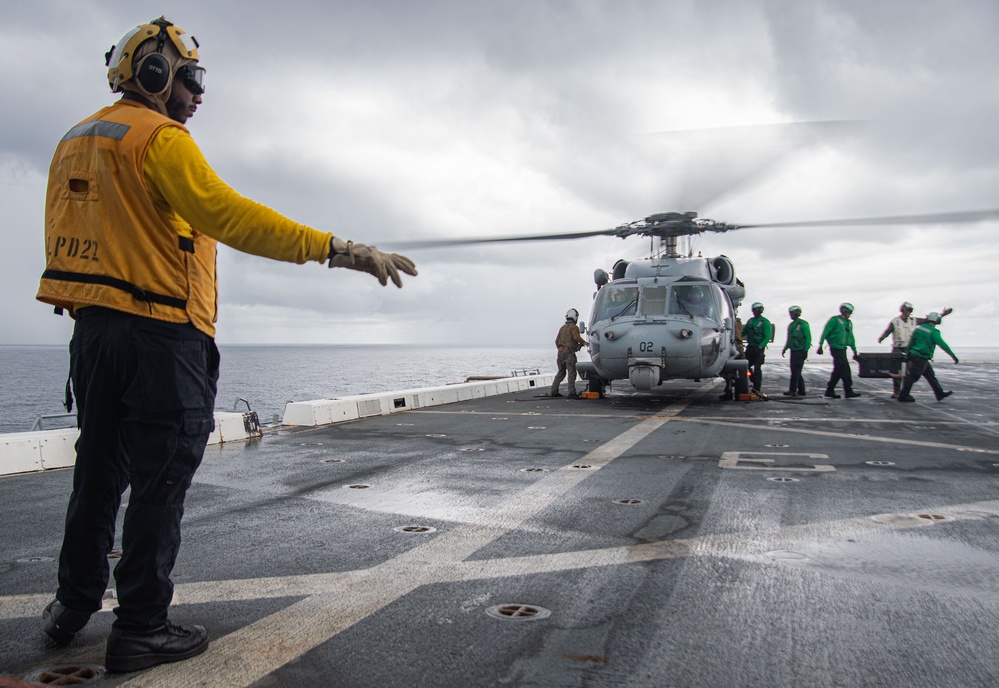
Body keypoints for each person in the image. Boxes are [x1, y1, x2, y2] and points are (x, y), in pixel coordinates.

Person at [35, 17, 417, 673]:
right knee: (159, 483)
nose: (198, 92)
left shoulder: (76, 141)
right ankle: (142, 628)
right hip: (161, 339)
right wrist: (338, 249)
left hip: (94, 336)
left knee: (97, 475)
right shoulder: (160, 139)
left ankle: (71, 607)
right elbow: (230, 215)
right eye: (190, 77)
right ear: (154, 74)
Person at [878, 302, 953, 397]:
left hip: (909, 348)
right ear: (903, 310)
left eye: (910, 310)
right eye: (907, 310)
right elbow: (888, 331)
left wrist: (942, 315)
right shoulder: (895, 321)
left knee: (909, 371)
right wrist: (882, 337)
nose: (909, 312)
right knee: (897, 370)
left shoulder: (914, 320)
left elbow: (928, 320)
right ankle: (897, 392)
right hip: (897, 348)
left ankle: (904, 392)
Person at [897, 312, 958, 402]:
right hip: (921, 356)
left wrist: (907, 353)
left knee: (930, 375)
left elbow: (911, 341)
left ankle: (939, 393)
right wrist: (952, 355)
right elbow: (942, 344)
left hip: (913, 354)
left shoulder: (919, 328)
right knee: (913, 376)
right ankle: (903, 395)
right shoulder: (933, 332)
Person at [817, 303, 860, 398]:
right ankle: (848, 391)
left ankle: (830, 390)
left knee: (838, 370)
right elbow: (825, 332)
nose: (850, 314)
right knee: (845, 370)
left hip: (843, 349)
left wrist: (854, 350)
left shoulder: (848, 323)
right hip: (835, 348)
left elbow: (851, 337)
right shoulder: (834, 320)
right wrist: (820, 345)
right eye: (849, 312)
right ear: (844, 311)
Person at [551, 308, 588, 399]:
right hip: (569, 353)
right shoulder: (574, 327)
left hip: (560, 353)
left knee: (561, 372)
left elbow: (556, 341)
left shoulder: (562, 328)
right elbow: (576, 337)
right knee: (571, 373)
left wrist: (561, 349)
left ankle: (554, 391)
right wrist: (584, 343)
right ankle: (571, 392)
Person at [742, 302, 773, 393]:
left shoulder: (765, 322)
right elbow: (744, 332)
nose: (755, 312)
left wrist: (760, 346)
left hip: (758, 349)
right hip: (750, 348)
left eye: (757, 310)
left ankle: (757, 387)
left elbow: (767, 336)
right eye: (754, 310)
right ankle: (752, 379)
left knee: (757, 368)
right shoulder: (750, 321)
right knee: (745, 366)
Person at [781, 306, 811, 397]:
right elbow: (789, 339)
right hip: (793, 351)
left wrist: (805, 350)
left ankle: (793, 390)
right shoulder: (791, 325)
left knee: (795, 371)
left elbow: (808, 338)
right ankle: (801, 390)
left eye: (792, 314)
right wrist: (785, 348)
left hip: (800, 351)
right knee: (796, 371)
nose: (791, 315)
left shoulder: (803, 324)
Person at [719, 316, 744, 400]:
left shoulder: (734, 321)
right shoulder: (735, 321)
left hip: (735, 345)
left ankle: (730, 391)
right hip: (735, 345)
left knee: (736, 370)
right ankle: (730, 390)